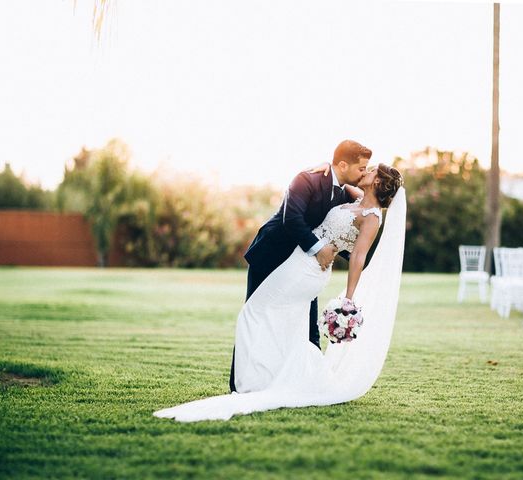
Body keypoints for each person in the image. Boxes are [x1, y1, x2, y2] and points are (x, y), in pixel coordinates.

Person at [153, 164, 405, 422]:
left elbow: (358, 257)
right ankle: (280, 379)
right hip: (300, 261)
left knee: (253, 313)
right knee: (287, 326)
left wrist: (349, 298)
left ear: (378, 182)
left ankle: (254, 384)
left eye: (372, 170)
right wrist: (324, 168)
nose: (366, 171)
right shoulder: (355, 197)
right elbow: (333, 182)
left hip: (308, 269)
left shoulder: (372, 216)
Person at [229, 140, 372, 392]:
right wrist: (318, 249)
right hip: (272, 255)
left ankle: (307, 382)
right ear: (342, 164)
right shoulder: (307, 179)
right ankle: (240, 384)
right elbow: (291, 218)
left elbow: (352, 217)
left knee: (306, 324)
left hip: (302, 268)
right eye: (361, 168)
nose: (364, 173)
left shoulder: (342, 192)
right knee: (256, 314)